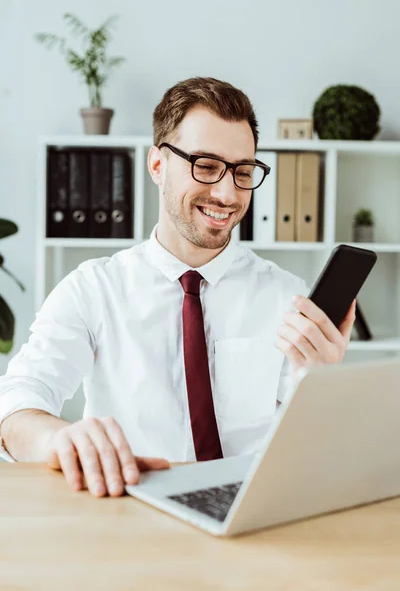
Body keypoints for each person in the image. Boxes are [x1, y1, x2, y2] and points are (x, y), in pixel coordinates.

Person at [0, 77, 355, 498]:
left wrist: (321, 384)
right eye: (205, 166)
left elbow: (311, 451)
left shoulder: (288, 296)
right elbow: (18, 402)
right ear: (157, 166)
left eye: (243, 172)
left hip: (249, 516)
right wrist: (55, 439)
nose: (227, 193)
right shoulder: (92, 289)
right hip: (132, 509)